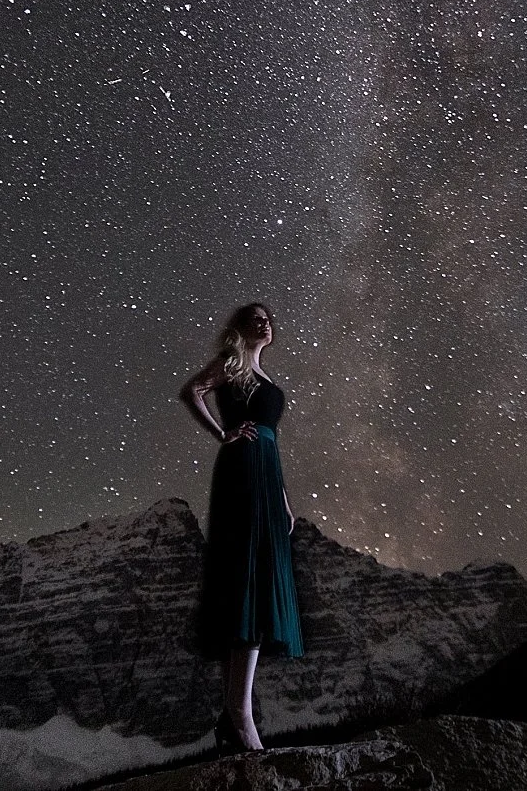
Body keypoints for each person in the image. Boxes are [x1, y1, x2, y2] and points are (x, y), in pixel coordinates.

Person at [177, 301, 305, 752]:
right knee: (247, 573)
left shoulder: (264, 376)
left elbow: (273, 439)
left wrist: (285, 501)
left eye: (268, 318)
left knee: (260, 571)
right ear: (238, 327)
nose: (264, 323)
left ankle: (236, 711)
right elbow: (191, 391)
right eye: (254, 318)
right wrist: (223, 435)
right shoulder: (230, 363)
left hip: (266, 471)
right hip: (243, 465)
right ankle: (240, 713)